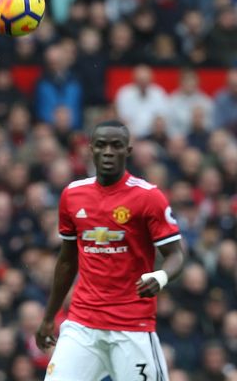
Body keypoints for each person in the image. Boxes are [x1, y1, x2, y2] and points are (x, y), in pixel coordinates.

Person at [36, 121, 186, 381]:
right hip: (83, 324)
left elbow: (176, 255)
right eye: (102, 145)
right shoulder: (73, 195)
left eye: (116, 146)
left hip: (132, 326)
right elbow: (67, 261)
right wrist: (50, 316)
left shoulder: (148, 197)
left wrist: (159, 278)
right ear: (91, 149)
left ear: (127, 151)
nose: (108, 152)